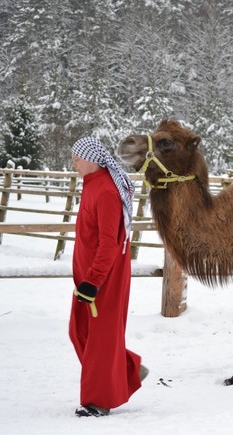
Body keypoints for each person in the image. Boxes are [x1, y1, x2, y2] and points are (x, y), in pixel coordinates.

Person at [69, 137, 148, 417]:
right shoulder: (92, 187)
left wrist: (94, 281)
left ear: (91, 159)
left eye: (77, 158)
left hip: (103, 279)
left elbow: (108, 244)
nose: (74, 163)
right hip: (88, 277)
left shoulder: (105, 192)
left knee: (100, 340)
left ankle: (98, 401)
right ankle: (129, 368)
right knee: (78, 331)